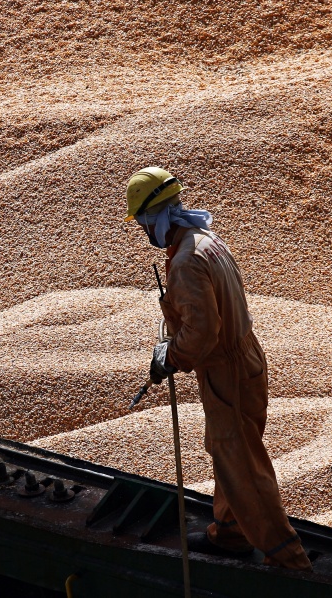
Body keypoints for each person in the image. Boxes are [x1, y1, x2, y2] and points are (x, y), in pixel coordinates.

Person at [124, 166, 313, 572]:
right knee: (230, 453)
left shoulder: (186, 263)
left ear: (155, 218)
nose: (143, 232)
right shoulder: (205, 240)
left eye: (142, 223)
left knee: (243, 466)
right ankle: (231, 534)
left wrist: (169, 357)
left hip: (227, 370)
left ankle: (291, 562)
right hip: (244, 359)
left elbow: (203, 332)